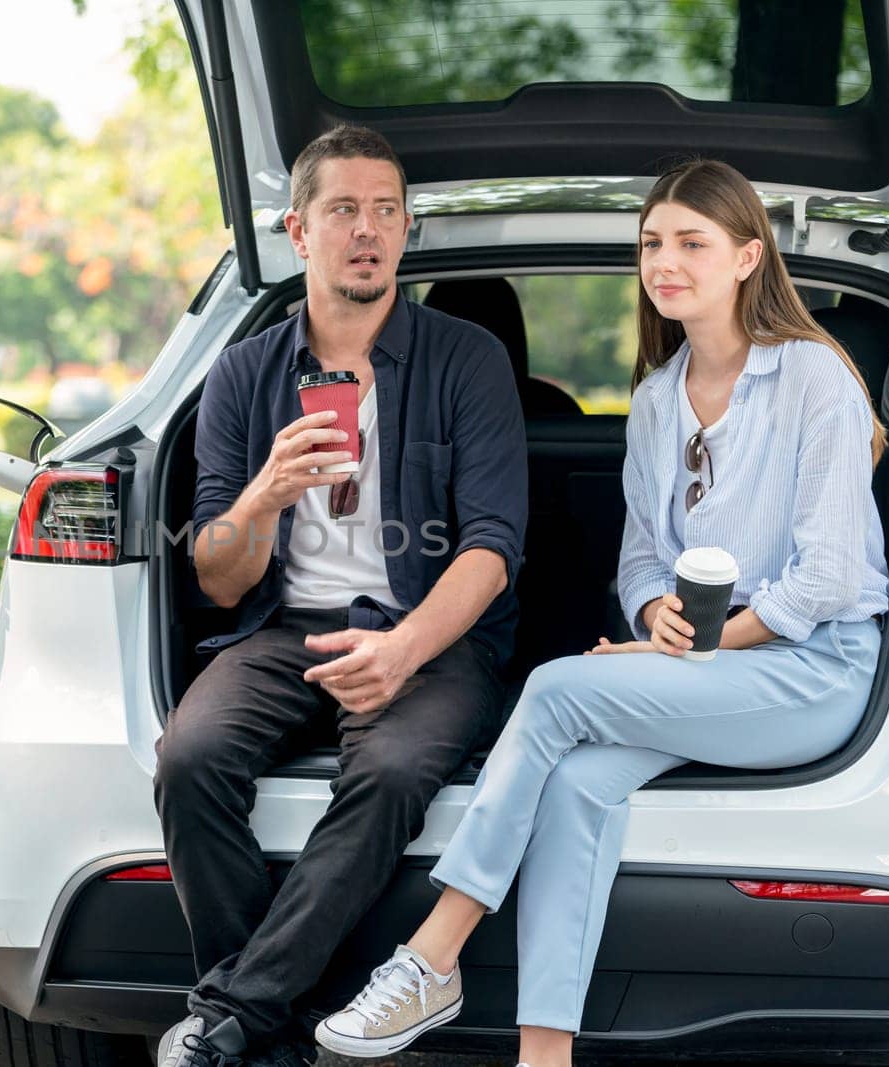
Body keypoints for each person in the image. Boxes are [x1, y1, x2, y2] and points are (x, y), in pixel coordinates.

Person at [316, 158, 889, 1067]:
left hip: (813, 669)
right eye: (654, 242)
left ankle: (432, 956)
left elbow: (821, 583)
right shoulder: (658, 398)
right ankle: (544, 1057)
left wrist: (680, 649)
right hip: (712, 666)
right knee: (580, 785)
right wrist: (658, 614)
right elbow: (638, 561)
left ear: (748, 257)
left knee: (552, 690)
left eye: (692, 243)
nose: (665, 261)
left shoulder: (814, 378)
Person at [154, 125, 528, 1067]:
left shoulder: (466, 359)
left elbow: (493, 549)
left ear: (405, 230)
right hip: (287, 632)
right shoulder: (243, 372)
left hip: (433, 637)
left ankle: (235, 1016)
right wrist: (264, 495)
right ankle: (267, 1029)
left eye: (387, 210)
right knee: (189, 757)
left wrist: (403, 651)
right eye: (344, 209)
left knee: (395, 771)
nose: (368, 230)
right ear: (299, 231)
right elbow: (215, 571)